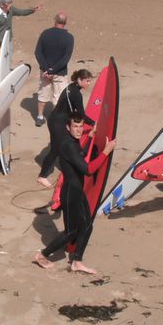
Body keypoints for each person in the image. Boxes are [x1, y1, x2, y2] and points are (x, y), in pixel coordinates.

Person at [33, 115, 115, 275]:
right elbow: (88, 170)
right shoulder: (68, 145)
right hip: (70, 193)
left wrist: (90, 138)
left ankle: (77, 261)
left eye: (80, 126)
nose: (78, 130)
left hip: (77, 191)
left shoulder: (73, 142)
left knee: (87, 226)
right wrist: (106, 152)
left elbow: (80, 155)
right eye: (75, 126)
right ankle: (42, 255)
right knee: (71, 232)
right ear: (67, 127)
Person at [37, 68, 93, 187]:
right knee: (55, 150)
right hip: (57, 123)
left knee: (65, 145)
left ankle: (70, 165)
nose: (89, 83)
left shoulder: (71, 87)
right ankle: (42, 176)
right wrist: (93, 124)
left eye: (90, 81)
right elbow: (81, 115)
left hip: (58, 120)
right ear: (79, 80)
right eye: (87, 81)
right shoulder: (76, 93)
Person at [33, 12, 75, 127]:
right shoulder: (69, 37)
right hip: (59, 72)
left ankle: (40, 116)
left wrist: (46, 69)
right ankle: (57, 119)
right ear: (65, 23)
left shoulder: (45, 33)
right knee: (59, 96)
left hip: (45, 71)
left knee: (43, 93)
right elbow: (66, 58)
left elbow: (38, 53)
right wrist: (53, 70)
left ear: (55, 20)